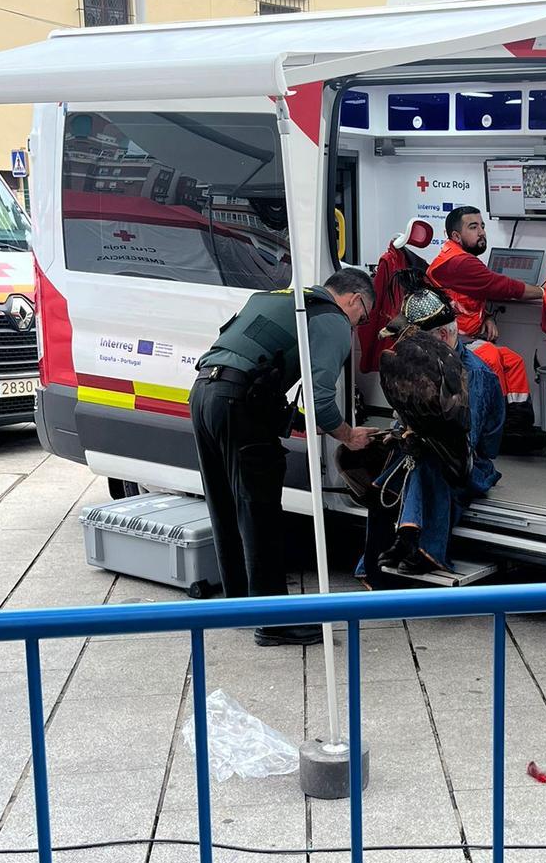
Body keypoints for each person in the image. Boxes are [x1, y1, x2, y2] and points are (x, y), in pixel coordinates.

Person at [189, 266, 375, 646]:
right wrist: (347, 435)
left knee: (225, 505)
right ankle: (274, 622)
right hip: (240, 404)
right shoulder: (331, 319)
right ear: (354, 299)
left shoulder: (282, 299)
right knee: (260, 512)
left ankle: (240, 605)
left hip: (204, 394)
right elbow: (321, 396)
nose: (358, 325)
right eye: (364, 316)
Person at [357, 285, 504, 583]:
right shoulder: (425, 360)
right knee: (389, 475)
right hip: (436, 450)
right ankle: (398, 545)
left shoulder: (472, 373)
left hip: (470, 462)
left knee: (428, 465)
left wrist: (418, 441)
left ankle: (418, 545)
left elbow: (467, 444)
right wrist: (401, 434)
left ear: (443, 335)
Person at [426, 205, 546, 452]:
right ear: (456, 236)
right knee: (491, 356)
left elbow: (473, 295)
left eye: (482, 226)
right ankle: (493, 428)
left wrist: (489, 316)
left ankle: (516, 425)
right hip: (449, 341)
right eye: (474, 227)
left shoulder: (462, 259)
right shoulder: (458, 262)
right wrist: (543, 292)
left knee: (512, 360)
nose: (481, 232)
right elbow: (501, 286)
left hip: (467, 336)